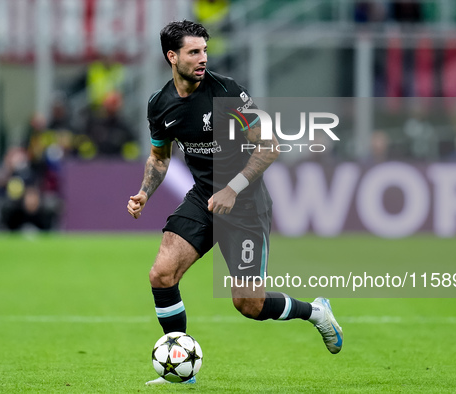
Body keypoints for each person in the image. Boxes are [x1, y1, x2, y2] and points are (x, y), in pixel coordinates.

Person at [127, 20, 343, 385]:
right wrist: (145, 192)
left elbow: (270, 145)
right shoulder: (159, 104)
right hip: (204, 198)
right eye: (194, 52)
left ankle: (316, 312)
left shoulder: (228, 92)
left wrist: (234, 188)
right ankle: (181, 366)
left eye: (204, 51)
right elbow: (160, 157)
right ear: (172, 56)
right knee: (161, 274)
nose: (202, 59)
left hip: (244, 203)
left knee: (248, 304)